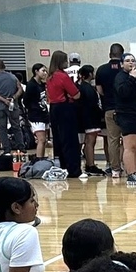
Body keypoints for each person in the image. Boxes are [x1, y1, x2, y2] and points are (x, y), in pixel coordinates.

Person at [114, 53, 136, 186]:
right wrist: (131, 78)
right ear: (121, 64)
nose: (131, 63)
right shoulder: (121, 77)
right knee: (130, 147)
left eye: (133, 60)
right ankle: (131, 174)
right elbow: (123, 92)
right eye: (128, 61)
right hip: (127, 115)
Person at [45, 50, 82, 178]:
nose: (67, 63)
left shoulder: (49, 77)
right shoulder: (62, 76)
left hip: (54, 108)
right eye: (65, 60)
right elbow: (76, 94)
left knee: (58, 139)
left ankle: (63, 167)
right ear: (61, 61)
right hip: (65, 109)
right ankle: (74, 170)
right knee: (70, 139)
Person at [95, 43, 125, 177]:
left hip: (109, 108)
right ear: (122, 55)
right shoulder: (126, 69)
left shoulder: (101, 70)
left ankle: (115, 169)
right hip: (126, 109)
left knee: (113, 140)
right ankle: (128, 165)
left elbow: (100, 90)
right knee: (127, 139)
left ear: (109, 54)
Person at [0, 59, 25, 154]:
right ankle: (21, 146)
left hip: (0, 107)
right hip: (13, 105)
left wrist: (4, 100)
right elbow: (20, 89)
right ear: (4, 66)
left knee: (2, 128)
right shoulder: (13, 77)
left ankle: (6, 148)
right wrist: (13, 97)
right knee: (16, 126)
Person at [76, 65, 106, 175]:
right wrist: (100, 114)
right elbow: (92, 105)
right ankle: (90, 165)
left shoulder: (83, 86)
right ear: (89, 74)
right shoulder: (87, 88)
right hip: (90, 119)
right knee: (90, 142)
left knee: (86, 142)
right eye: (93, 72)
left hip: (86, 118)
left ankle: (87, 164)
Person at [23, 63, 50, 158]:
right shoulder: (31, 85)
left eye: (46, 71)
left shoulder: (42, 84)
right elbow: (26, 100)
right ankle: (39, 159)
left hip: (43, 114)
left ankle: (41, 158)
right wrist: (33, 108)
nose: (45, 73)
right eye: (43, 71)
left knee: (44, 140)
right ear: (36, 71)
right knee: (41, 139)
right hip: (36, 115)